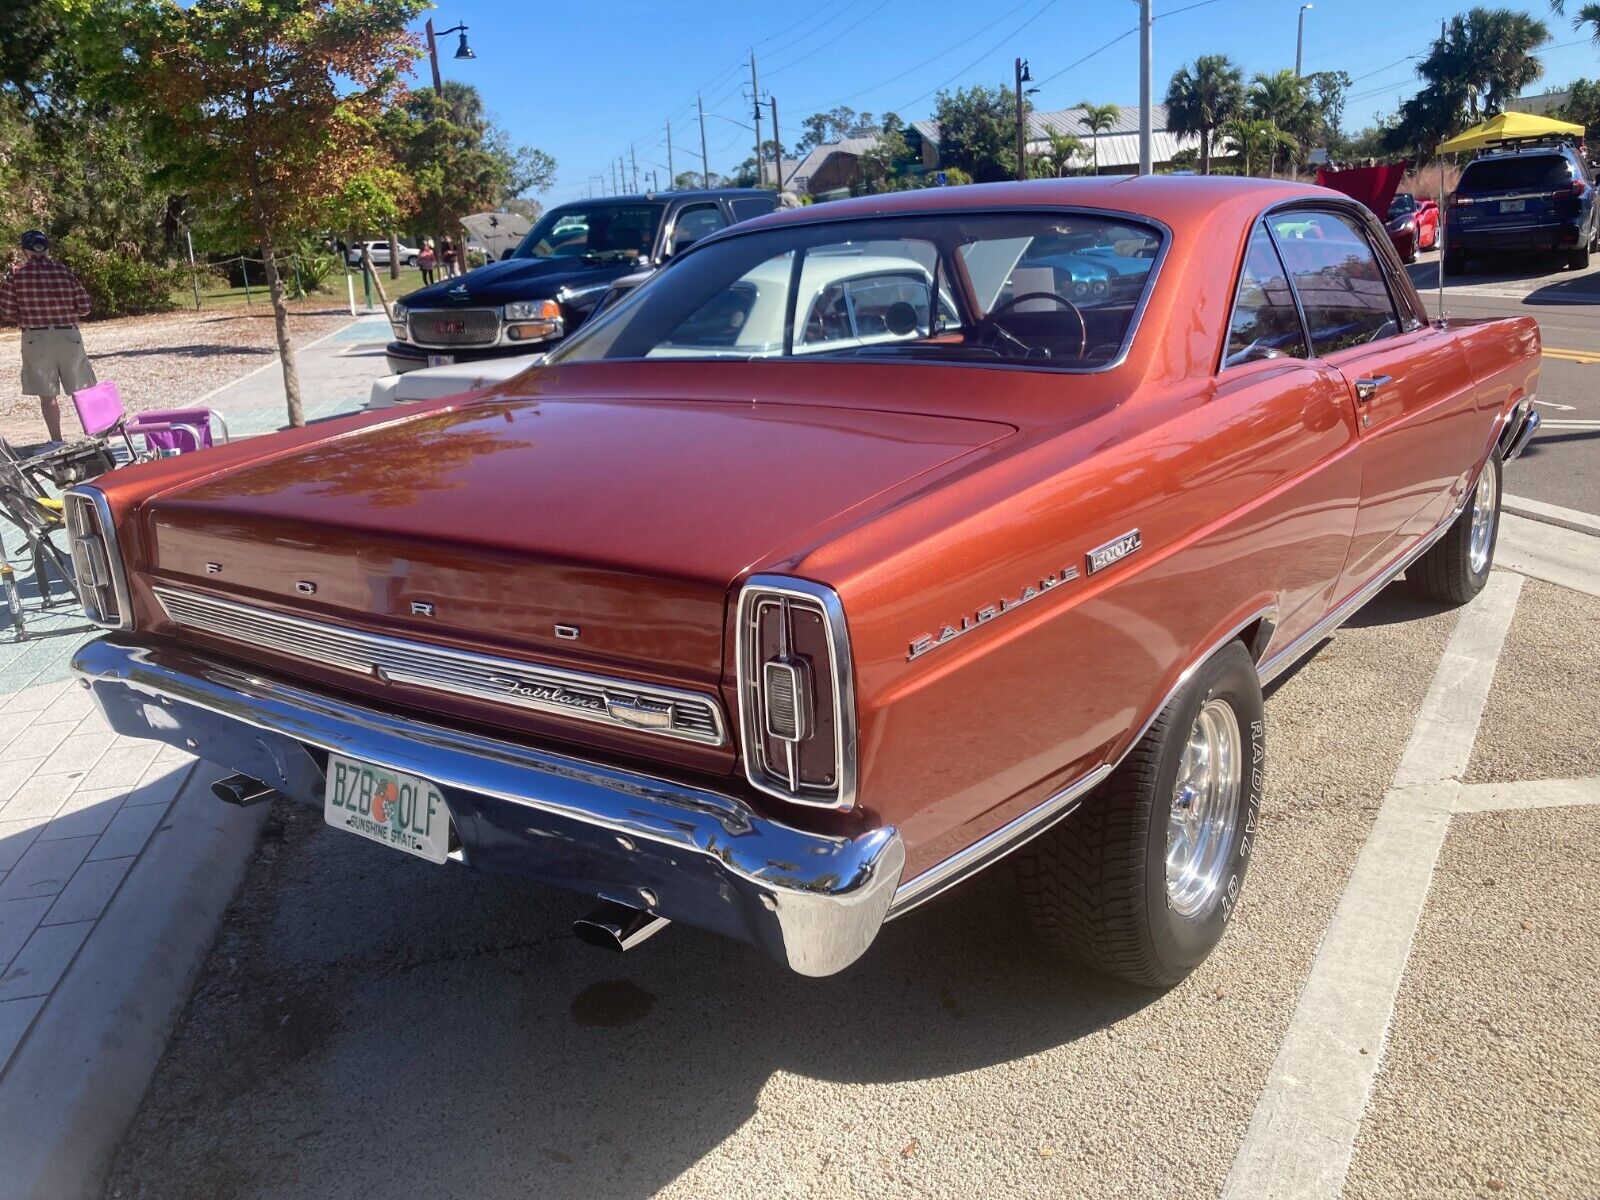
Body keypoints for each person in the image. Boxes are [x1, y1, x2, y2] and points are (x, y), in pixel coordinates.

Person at [0, 231, 94, 445]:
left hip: (36, 337)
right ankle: (95, 436)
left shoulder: (16, 274)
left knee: (48, 394)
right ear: (47, 249)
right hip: (68, 334)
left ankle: (57, 441)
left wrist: (26, 313)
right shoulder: (63, 271)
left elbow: (6, 310)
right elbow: (86, 307)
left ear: (26, 251)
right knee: (82, 389)